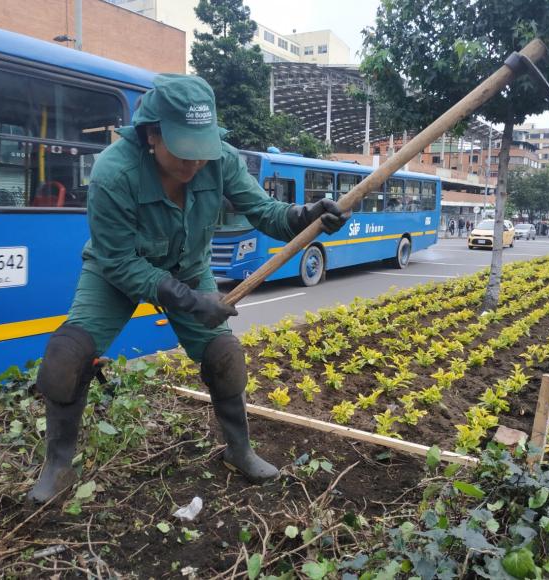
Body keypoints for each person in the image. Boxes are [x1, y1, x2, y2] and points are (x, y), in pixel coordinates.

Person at [27, 74, 350, 503]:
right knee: (65, 358)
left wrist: (306, 215)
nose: (195, 164)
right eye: (184, 153)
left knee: (225, 356)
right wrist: (191, 301)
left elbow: (265, 212)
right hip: (114, 272)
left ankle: (239, 451)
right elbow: (120, 262)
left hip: (189, 268)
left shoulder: (222, 159)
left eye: (202, 152)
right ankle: (58, 468)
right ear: (151, 134)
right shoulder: (113, 172)